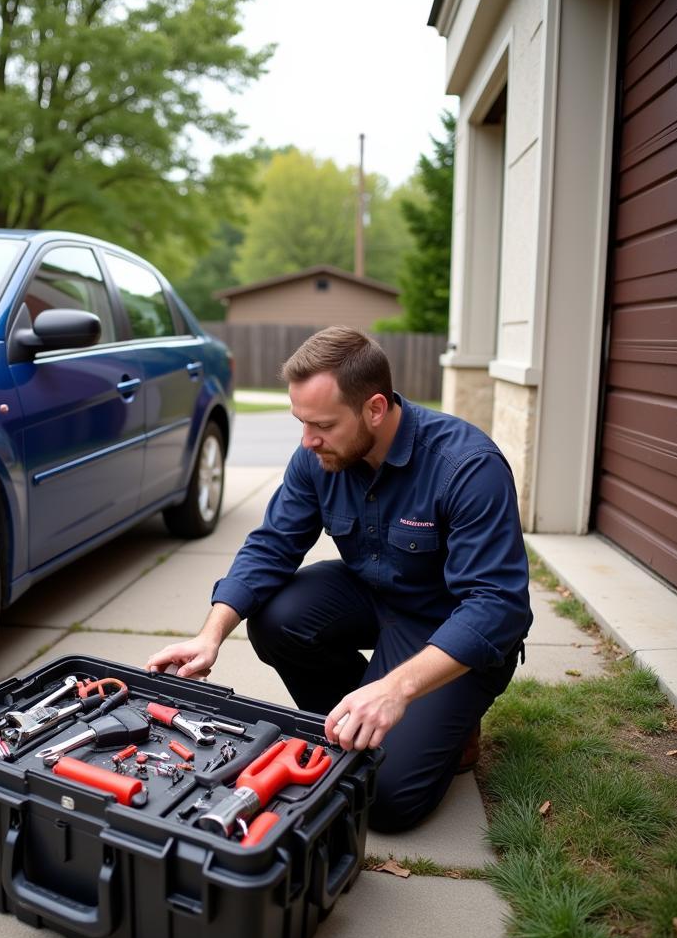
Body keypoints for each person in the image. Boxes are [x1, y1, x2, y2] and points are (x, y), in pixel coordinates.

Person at [146, 327, 532, 832]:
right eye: (301, 422)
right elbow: (272, 544)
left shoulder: (466, 467)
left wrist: (399, 689)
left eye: (322, 425)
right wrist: (210, 634)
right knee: (277, 618)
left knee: (383, 799)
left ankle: (432, 717)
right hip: (373, 597)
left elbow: (496, 607)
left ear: (374, 409)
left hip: (447, 626)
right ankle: (370, 718)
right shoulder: (318, 455)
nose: (307, 441)